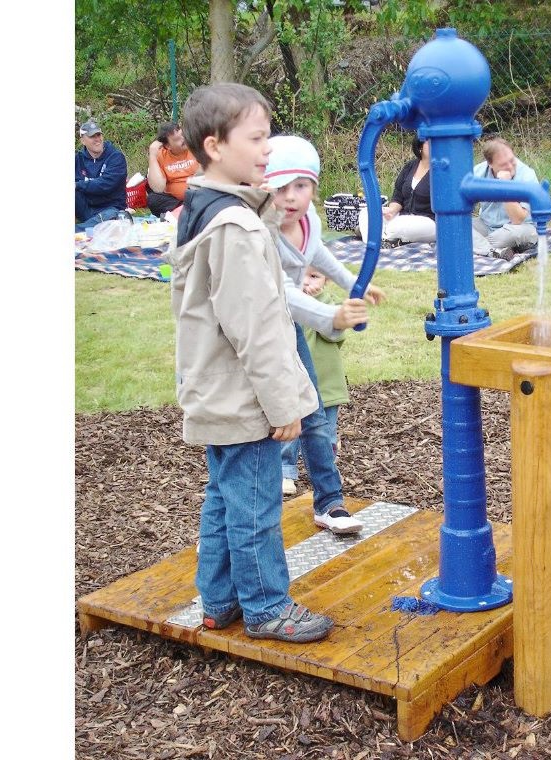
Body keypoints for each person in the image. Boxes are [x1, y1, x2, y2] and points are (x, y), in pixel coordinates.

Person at [163, 82, 333, 644]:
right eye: (257, 139)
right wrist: (284, 406)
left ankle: (218, 601)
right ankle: (266, 607)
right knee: (255, 504)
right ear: (215, 146)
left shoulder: (203, 207)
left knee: (224, 497)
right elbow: (257, 329)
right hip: (245, 397)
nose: (268, 149)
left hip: (216, 389)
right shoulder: (235, 228)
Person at [263, 134, 386, 534]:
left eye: (301, 186)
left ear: (314, 189)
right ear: (265, 190)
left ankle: (330, 503)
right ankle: (242, 523)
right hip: (257, 334)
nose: (290, 196)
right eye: (280, 187)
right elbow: (282, 293)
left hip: (289, 326)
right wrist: (332, 316)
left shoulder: (309, 220)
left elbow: (317, 253)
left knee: (313, 412)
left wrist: (354, 284)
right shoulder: (260, 232)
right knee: (262, 424)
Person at [280, 267, 350, 484]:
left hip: (326, 385)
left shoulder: (332, 306)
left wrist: (316, 308)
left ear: (327, 280)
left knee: (325, 433)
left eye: (314, 276)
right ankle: (286, 471)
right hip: (295, 383)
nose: (306, 282)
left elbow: (335, 336)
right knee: (290, 432)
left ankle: (326, 473)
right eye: (301, 275)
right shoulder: (287, 303)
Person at [357, 136, 435, 246]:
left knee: (399, 225)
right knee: (367, 213)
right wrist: (391, 211)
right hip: (403, 215)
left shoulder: (441, 172)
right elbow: (398, 195)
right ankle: (375, 243)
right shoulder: (410, 166)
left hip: (429, 222)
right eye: (430, 142)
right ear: (420, 146)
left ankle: (377, 237)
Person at [471, 137, 540, 261]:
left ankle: (478, 247)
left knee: (509, 235)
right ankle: (494, 251)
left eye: (512, 160)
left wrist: (505, 185)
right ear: (490, 164)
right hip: (486, 224)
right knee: (456, 227)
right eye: (503, 164)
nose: (510, 166)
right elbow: (464, 203)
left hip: (520, 228)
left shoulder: (527, 175)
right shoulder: (478, 172)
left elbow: (517, 219)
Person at [75, 119, 128, 232]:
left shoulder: (116, 157)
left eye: (99, 135)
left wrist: (78, 185)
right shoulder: (77, 159)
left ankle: (79, 230)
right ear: (83, 141)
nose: (97, 139)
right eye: (92, 136)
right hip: (85, 208)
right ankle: (89, 226)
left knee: (112, 216)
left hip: (110, 208)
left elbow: (105, 185)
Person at [146, 122, 200, 216]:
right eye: (178, 139)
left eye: (183, 135)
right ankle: (185, 210)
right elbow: (158, 188)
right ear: (168, 146)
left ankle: (188, 211)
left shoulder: (196, 147)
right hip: (176, 202)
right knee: (153, 199)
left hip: (198, 193)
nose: (184, 139)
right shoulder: (161, 155)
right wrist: (153, 156)